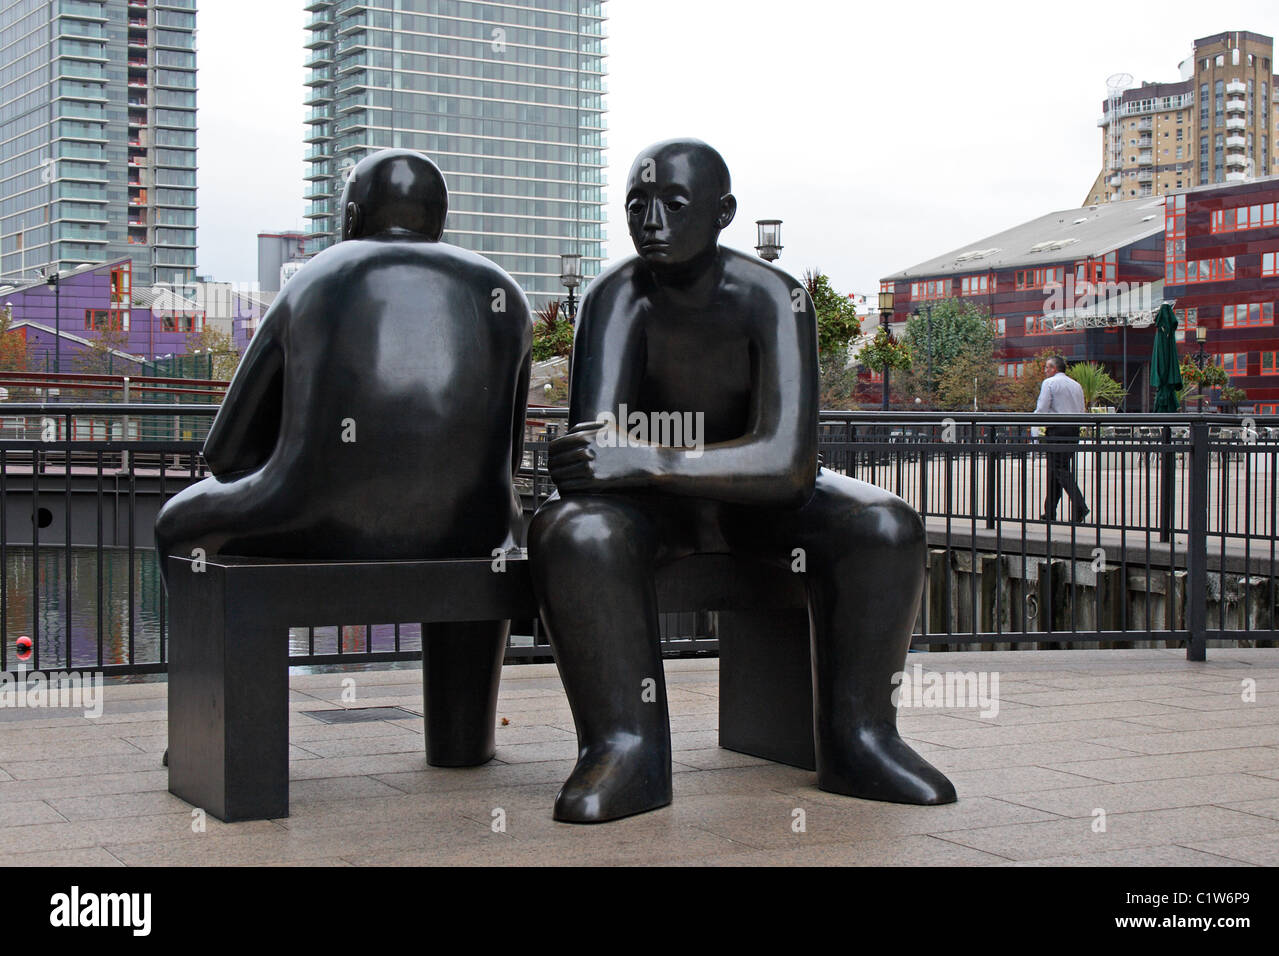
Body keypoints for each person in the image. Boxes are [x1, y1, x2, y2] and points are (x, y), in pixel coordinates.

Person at [528, 138, 956, 823]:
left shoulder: (774, 297)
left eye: (674, 203)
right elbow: (596, 460)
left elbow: (788, 466)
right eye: (638, 204)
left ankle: (862, 739)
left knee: (885, 523)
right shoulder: (615, 298)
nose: (652, 222)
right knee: (571, 530)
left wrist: (652, 458)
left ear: (722, 212)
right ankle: (625, 747)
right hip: (652, 513)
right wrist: (612, 463)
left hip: (759, 508)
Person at [155, 149, 533, 767]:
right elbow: (510, 452)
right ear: (440, 219)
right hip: (472, 529)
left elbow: (224, 453)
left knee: (179, 524)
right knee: (485, 521)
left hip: (316, 518)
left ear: (352, 214)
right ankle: (462, 740)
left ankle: (210, 724)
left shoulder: (316, 277)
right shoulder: (505, 295)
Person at [1035, 355, 1089, 524]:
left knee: (1058, 469)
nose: (1044, 371)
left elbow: (1042, 408)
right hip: (1073, 430)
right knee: (1057, 470)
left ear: (1054, 369)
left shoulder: (1049, 383)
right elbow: (1081, 410)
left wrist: (1035, 431)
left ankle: (1080, 505)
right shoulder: (1076, 385)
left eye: (1046, 368)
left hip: (1057, 430)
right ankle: (1050, 511)